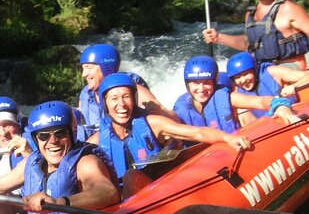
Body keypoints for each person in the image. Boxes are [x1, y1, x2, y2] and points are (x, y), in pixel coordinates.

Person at [88, 73, 252, 187]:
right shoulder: (95, 142)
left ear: (134, 99)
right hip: (125, 206)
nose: (122, 104)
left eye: (126, 97)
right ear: (105, 104)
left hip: (161, 192)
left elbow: (196, 133)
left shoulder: (154, 124)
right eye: (114, 99)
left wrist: (227, 138)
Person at [173, 55, 300, 131]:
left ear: (214, 82)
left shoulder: (228, 98)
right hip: (209, 159)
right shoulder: (181, 109)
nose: (201, 88)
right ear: (187, 84)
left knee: (242, 113)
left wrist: (280, 106)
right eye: (195, 83)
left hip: (236, 147)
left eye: (207, 82)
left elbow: (262, 101)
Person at [78, 43, 176, 140]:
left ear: (106, 67)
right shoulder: (85, 95)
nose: (84, 74)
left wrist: (158, 112)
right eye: (83, 68)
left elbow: (170, 120)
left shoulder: (134, 90)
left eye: (89, 68)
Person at [226, 51, 309, 118]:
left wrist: (294, 86)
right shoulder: (238, 94)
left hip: (294, 114)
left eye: (245, 74)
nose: (242, 80)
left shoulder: (273, 72)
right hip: (270, 127)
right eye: (237, 77)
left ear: (255, 71)